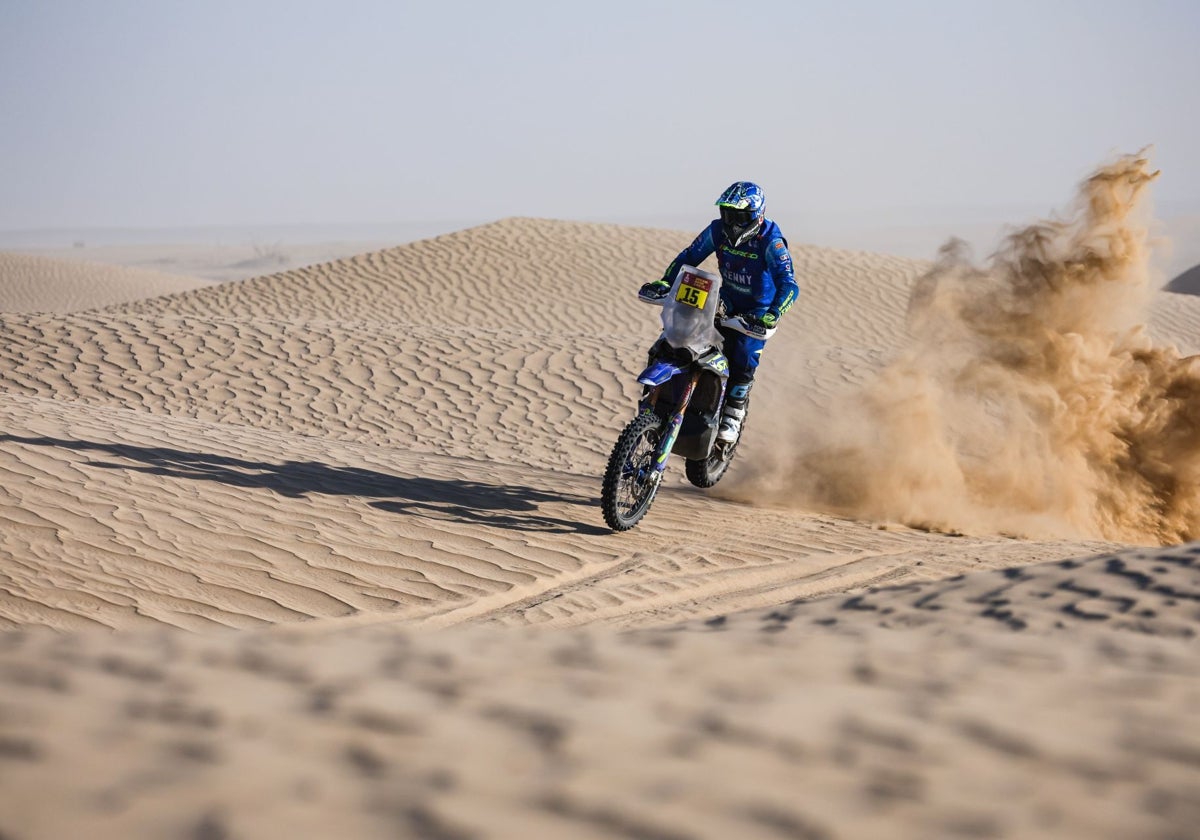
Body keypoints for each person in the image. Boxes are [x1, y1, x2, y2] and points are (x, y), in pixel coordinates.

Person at [639, 181, 798, 442]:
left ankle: (733, 414)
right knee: (674, 338)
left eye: (740, 216)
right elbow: (689, 256)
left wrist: (773, 314)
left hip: (755, 315)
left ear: (757, 215)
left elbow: (789, 284)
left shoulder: (771, 242)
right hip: (722, 303)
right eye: (728, 214)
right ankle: (658, 394)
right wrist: (666, 281)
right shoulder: (717, 230)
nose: (733, 222)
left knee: (744, 356)